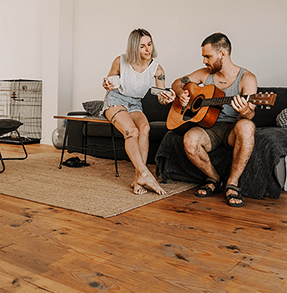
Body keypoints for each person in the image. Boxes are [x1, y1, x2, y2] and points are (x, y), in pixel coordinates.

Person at [171, 33, 257, 207]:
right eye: (203, 56)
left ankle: (232, 184)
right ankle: (214, 178)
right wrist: (181, 94)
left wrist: (245, 110)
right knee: (190, 138)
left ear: (223, 54)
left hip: (232, 130)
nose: (204, 61)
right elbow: (177, 82)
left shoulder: (247, 78)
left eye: (208, 56)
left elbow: (250, 115)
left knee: (247, 126)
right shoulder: (205, 74)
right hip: (209, 127)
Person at [102, 28, 175, 195]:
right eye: (142, 46)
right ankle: (145, 174)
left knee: (145, 128)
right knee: (132, 131)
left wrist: (167, 98)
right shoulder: (120, 61)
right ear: (134, 48)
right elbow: (108, 83)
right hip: (116, 100)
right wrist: (106, 84)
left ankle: (138, 179)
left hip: (135, 104)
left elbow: (161, 97)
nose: (148, 49)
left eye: (149, 44)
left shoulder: (157, 69)